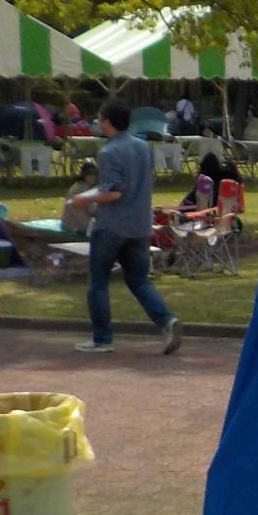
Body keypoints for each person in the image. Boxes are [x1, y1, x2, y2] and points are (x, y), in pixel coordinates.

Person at [69, 100, 182, 355]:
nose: (97, 122)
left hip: (111, 225)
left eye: (99, 118)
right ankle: (166, 320)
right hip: (140, 224)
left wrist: (82, 198)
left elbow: (113, 192)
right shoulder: (143, 147)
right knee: (139, 280)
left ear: (108, 121)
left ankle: (102, 338)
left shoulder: (108, 152)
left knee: (98, 282)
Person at [60, 163, 99, 232]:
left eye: (94, 174)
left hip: (71, 221)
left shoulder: (81, 186)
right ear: (84, 176)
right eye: (90, 174)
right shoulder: (82, 189)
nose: (93, 177)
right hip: (76, 224)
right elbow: (93, 210)